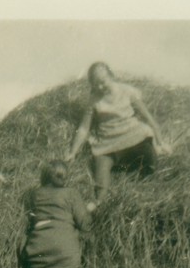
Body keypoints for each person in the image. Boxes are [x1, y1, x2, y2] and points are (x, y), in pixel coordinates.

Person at [66, 61, 171, 202]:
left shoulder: (127, 91)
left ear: (112, 76)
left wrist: (160, 141)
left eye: (103, 82)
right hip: (108, 141)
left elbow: (148, 118)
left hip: (132, 133)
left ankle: (145, 178)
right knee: (101, 180)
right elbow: (84, 128)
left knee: (151, 159)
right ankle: (100, 203)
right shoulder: (93, 100)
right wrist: (73, 152)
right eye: (95, 84)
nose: (100, 87)